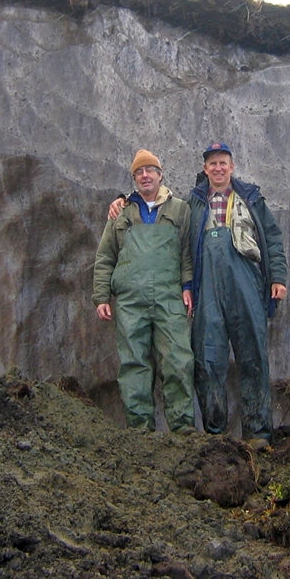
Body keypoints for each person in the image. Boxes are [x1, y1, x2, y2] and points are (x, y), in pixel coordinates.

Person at [189, 142, 288, 451]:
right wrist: (123, 199)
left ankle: (258, 434)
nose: (218, 168)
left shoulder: (252, 199)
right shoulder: (192, 203)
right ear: (205, 169)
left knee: (253, 355)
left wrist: (278, 277)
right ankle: (215, 436)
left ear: (232, 166)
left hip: (248, 285)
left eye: (223, 162)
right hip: (207, 289)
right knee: (208, 359)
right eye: (212, 163)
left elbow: (272, 238)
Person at [92, 149, 196, 433]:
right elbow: (105, 256)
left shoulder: (180, 209)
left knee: (177, 360)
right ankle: (140, 431)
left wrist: (188, 286)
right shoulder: (120, 211)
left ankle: (183, 428)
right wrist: (101, 296)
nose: (145, 175)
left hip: (169, 298)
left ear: (161, 175)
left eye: (150, 170)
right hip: (130, 302)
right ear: (134, 178)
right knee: (134, 364)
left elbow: (188, 253)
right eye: (139, 172)